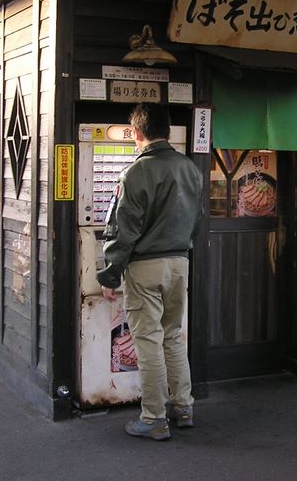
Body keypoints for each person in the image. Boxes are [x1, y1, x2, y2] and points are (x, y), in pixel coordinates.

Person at [97, 103, 204, 441]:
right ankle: (182, 407)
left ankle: (154, 418)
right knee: (173, 335)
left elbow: (122, 229)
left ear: (138, 134)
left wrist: (110, 275)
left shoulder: (135, 173)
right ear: (168, 132)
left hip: (145, 267)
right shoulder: (191, 169)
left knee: (148, 341)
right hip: (179, 263)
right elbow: (199, 220)